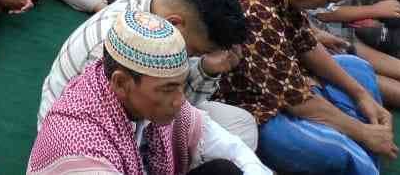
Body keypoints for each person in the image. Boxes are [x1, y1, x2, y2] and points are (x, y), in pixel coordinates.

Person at [215, 0, 393, 175]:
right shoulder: (254, 2)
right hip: (247, 103)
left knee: (357, 68)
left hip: (283, 82)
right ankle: (359, 145)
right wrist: (362, 132)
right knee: (332, 152)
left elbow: (305, 43)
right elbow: (296, 101)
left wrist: (361, 96)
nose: (323, 8)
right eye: (328, 0)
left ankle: (357, 139)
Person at [28, 10, 268, 175]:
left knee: (225, 170)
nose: (179, 101)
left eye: (180, 85)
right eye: (168, 89)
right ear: (121, 83)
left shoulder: (136, 93)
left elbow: (232, 148)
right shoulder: (79, 144)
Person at [37, 0, 258, 148]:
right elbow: (134, 118)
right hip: (86, 133)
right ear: (175, 24)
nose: (193, 58)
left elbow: (168, 98)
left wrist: (206, 71)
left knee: (240, 124)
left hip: (141, 108)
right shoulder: (112, 51)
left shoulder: (159, 2)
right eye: (195, 52)